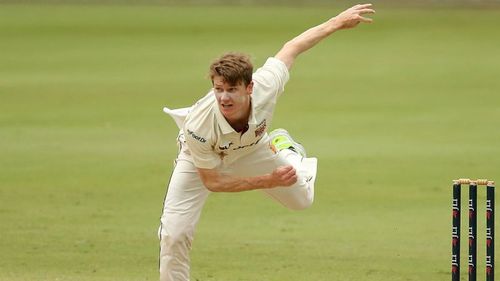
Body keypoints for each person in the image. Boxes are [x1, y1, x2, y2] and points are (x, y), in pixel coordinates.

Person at [159, 4, 375, 281]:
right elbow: (213, 182)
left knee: (301, 201)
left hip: (252, 148)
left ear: (249, 88)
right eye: (219, 89)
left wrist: (337, 22)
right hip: (200, 157)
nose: (224, 97)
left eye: (232, 90)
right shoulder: (198, 125)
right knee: (174, 233)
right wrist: (268, 180)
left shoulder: (265, 84)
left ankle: (287, 149)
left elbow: (292, 47)